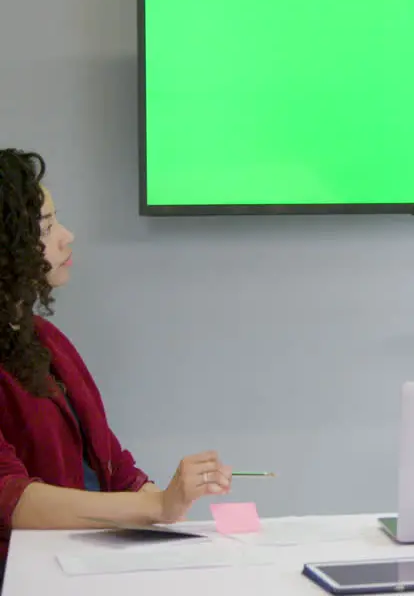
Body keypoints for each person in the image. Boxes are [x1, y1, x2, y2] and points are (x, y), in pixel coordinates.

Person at [0, 148, 233, 580]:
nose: (67, 236)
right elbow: (12, 499)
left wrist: (162, 504)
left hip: (81, 557)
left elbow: (107, 457)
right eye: (47, 227)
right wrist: (154, 505)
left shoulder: (44, 338)